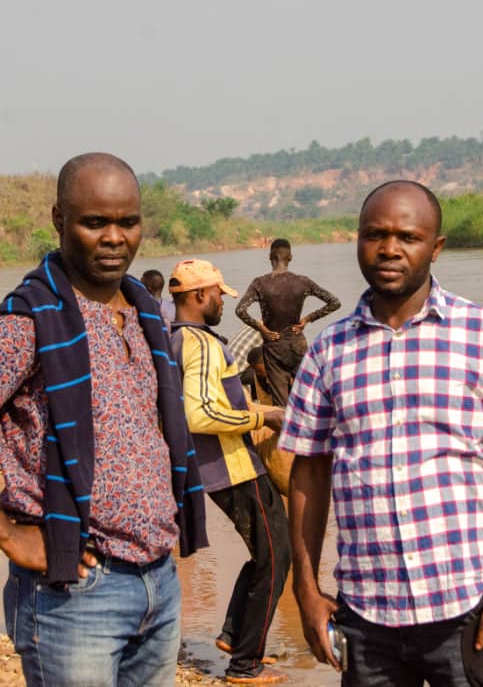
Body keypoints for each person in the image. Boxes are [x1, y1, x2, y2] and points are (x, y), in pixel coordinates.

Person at [0, 152, 208, 687]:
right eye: (95, 223)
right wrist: (10, 537)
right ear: (60, 221)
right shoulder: (28, 323)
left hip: (158, 580)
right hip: (76, 591)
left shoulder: (146, 314)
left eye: (127, 222)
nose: (114, 237)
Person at [281, 180, 483, 685]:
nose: (390, 249)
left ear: (435, 248)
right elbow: (308, 471)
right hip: (367, 619)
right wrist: (305, 588)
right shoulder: (328, 352)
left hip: (470, 612)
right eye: (375, 234)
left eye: (408, 237)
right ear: (358, 241)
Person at [169, 258, 290, 684]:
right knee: (277, 558)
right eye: (219, 293)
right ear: (200, 295)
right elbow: (200, 415)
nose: (222, 301)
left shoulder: (177, 338)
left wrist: (263, 410)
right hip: (230, 464)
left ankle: (236, 635)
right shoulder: (199, 344)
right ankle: (245, 663)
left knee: (267, 553)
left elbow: (218, 405)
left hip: (217, 464)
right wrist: (263, 420)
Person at [236, 238, 341, 406]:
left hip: (274, 344)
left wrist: (261, 328)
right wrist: (307, 319)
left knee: (281, 403)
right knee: (307, 394)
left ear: (270, 257)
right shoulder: (302, 282)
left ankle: (285, 429)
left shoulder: (259, 283)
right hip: (297, 342)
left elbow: (240, 310)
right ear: (290, 257)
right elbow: (334, 302)